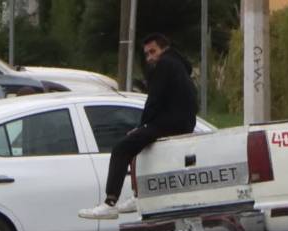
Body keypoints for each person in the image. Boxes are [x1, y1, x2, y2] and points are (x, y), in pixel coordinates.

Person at [78, 33, 198, 220]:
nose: (149, 58)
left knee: (121, 149)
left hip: (170, 123)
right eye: (147, 54)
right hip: (184, 123)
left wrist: (142, 125)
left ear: (164, 49)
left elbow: (154, 100)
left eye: (153, 52)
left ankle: (110, 203)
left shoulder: (164, 65)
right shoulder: (179, 66)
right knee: (138, 149)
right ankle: (138, 195)